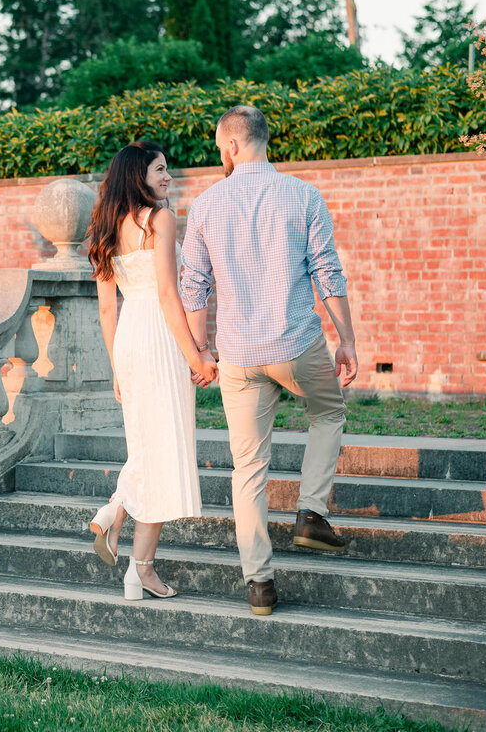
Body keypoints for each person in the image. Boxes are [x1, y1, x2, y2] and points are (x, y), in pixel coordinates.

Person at [180, 105, 358, 616]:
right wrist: (346, 338)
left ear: (233, 145)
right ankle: (310, 514)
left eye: (220, 148)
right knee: (328, 411)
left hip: (237, 356)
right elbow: (328, 272)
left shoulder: (207, 204)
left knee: (248, 467)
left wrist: (201, 351)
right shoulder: (303, 195)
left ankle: (259, 585)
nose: (221, 156)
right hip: (298, 345)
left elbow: (194, 285)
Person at [86, 141, 219, 601]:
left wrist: (116, 366)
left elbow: (107, 309)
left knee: (147, 445)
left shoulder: (104, 226)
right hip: (161, 336)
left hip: (129, 339)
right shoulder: (160, 219)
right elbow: (168, 293)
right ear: (136, 175)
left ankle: (116, 519)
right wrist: (196, 356)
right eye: (160, 170)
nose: (168, 177)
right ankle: (137, 561)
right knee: (160, 449)